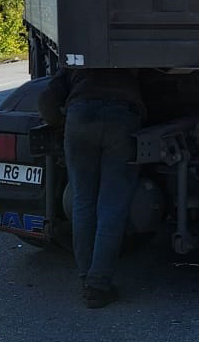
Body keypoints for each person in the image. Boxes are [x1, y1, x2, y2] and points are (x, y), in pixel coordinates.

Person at [62, 67, 146, 308]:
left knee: (83, 201)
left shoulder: (75, 57)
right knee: (112, 205)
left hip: (79, 117)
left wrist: (61, 120)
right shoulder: (127, 59)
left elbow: (47, 97)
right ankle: (98, 284)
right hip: (121, 118)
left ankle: (86, 276)